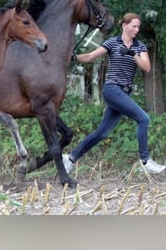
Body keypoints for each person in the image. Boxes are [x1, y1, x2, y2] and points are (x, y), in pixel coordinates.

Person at [63, 12, 165, 174]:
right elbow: (90, 56)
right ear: (124, 26)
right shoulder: (112, 42)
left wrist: (132, 54)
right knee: (143, 119)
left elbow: (146, 67)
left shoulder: (140, 46)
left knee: (102, 133)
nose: (136, 30)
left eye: (138, 27)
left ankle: (70, 158)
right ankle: (146, 161)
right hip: (112, 89)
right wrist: (73, 57)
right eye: (133, 26)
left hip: (124, 93)